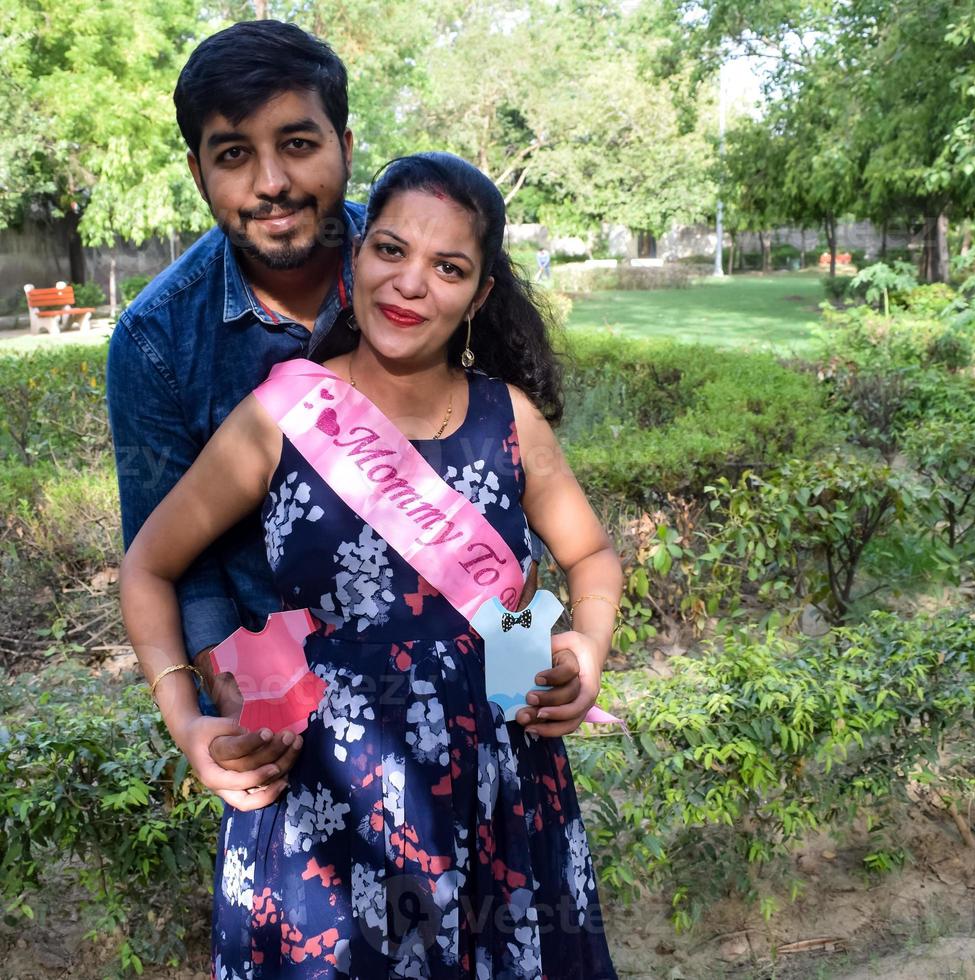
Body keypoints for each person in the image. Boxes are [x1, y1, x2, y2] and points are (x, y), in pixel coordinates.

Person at [120, 152, 622, 977]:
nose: (410, 284)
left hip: (497, 787)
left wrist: (587, 647)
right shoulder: (282, 414)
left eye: (448, 267)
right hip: (324, 801)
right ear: (354, 259)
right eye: (390, 250)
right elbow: (147, 566)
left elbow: (591, 555)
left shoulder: (510, 418)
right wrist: (186, 723)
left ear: (479, 295)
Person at [107, 21, 364, 810]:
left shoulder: (431, 279)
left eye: (297, 143)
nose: (271, 183)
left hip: (465, 697)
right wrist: (209, 717)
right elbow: (172, 559)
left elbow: (508, 476)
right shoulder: (155, 342)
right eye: (233, 156)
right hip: (287, 735)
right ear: (197, 173)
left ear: (345, 146)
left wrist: (537, 648)